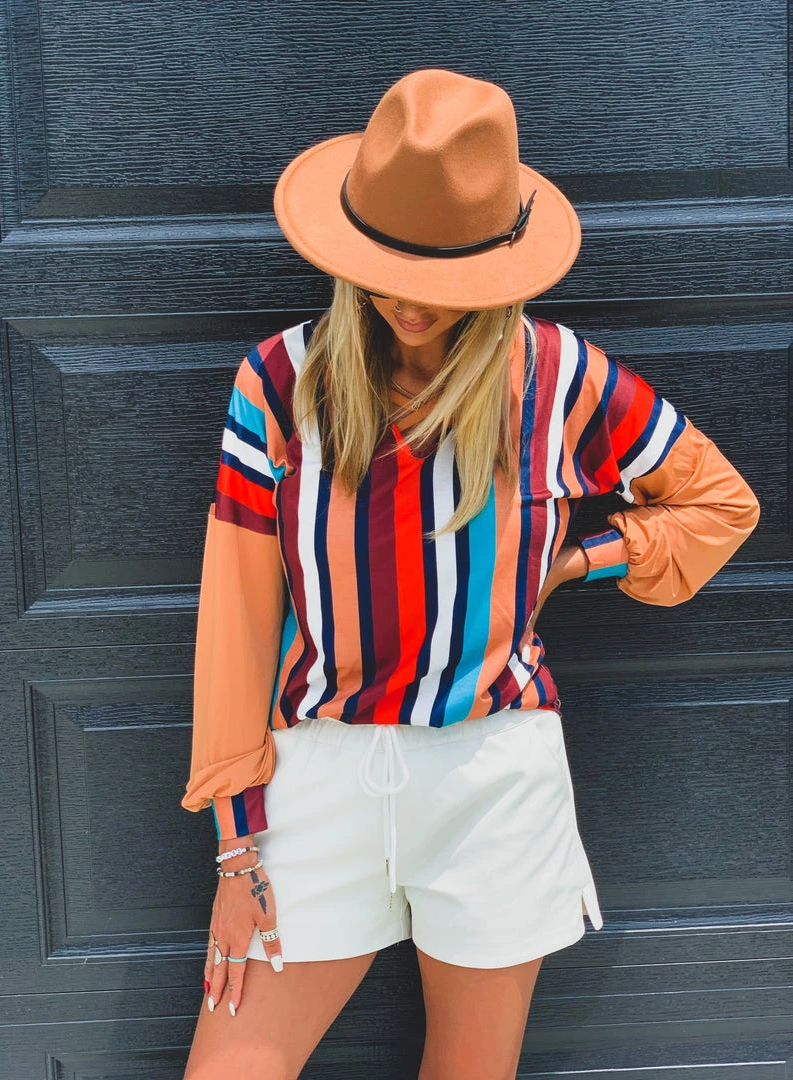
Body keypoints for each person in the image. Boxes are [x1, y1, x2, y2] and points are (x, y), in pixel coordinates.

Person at [181, 68, 761, 1080]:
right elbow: (236, 611)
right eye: (388, 268)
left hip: (495, 778)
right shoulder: (280, 380)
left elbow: (721, 504)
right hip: (317, 776)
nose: (411, 302)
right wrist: (237, 849)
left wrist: (580, 560)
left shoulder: (559, 378)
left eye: (443, 276)